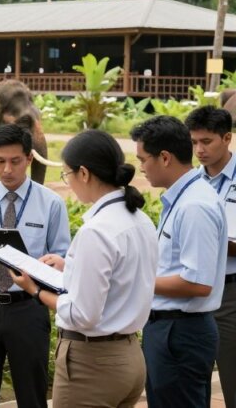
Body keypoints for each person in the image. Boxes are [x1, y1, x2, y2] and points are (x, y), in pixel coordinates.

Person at [9, 129, 158, 407]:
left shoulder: (97, 231)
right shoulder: (139, 219)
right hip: (130, 356)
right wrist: (72, 268)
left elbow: (82, 315)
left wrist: (34, 289)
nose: (69, 182)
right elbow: (120, 279)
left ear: (85, 173)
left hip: (93, 366)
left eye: (67, 175)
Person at [0, 123, 70, 408]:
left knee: (32, 395)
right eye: (0, 161)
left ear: (30, 158)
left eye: (15, 161)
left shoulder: (51, 203)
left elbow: (61, 259)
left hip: (28, 306)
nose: (7, 169)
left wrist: (48, 265)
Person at [131, 115, 227, 408]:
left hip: (180, 332)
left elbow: (197, 283)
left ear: (164, 157)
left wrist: (137, 281)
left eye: (143, 159)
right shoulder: (183, 199)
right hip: (169, 328)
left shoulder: (194, 206)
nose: (141, 168)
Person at [187, 105, 236, 407]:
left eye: (207, 142)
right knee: (194, 378)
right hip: (193, 291)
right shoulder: (191, 182)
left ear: (227, 138)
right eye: (193, 142)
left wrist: (208, 239)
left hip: (231, 292)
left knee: (232, 376)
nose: (199, 150)